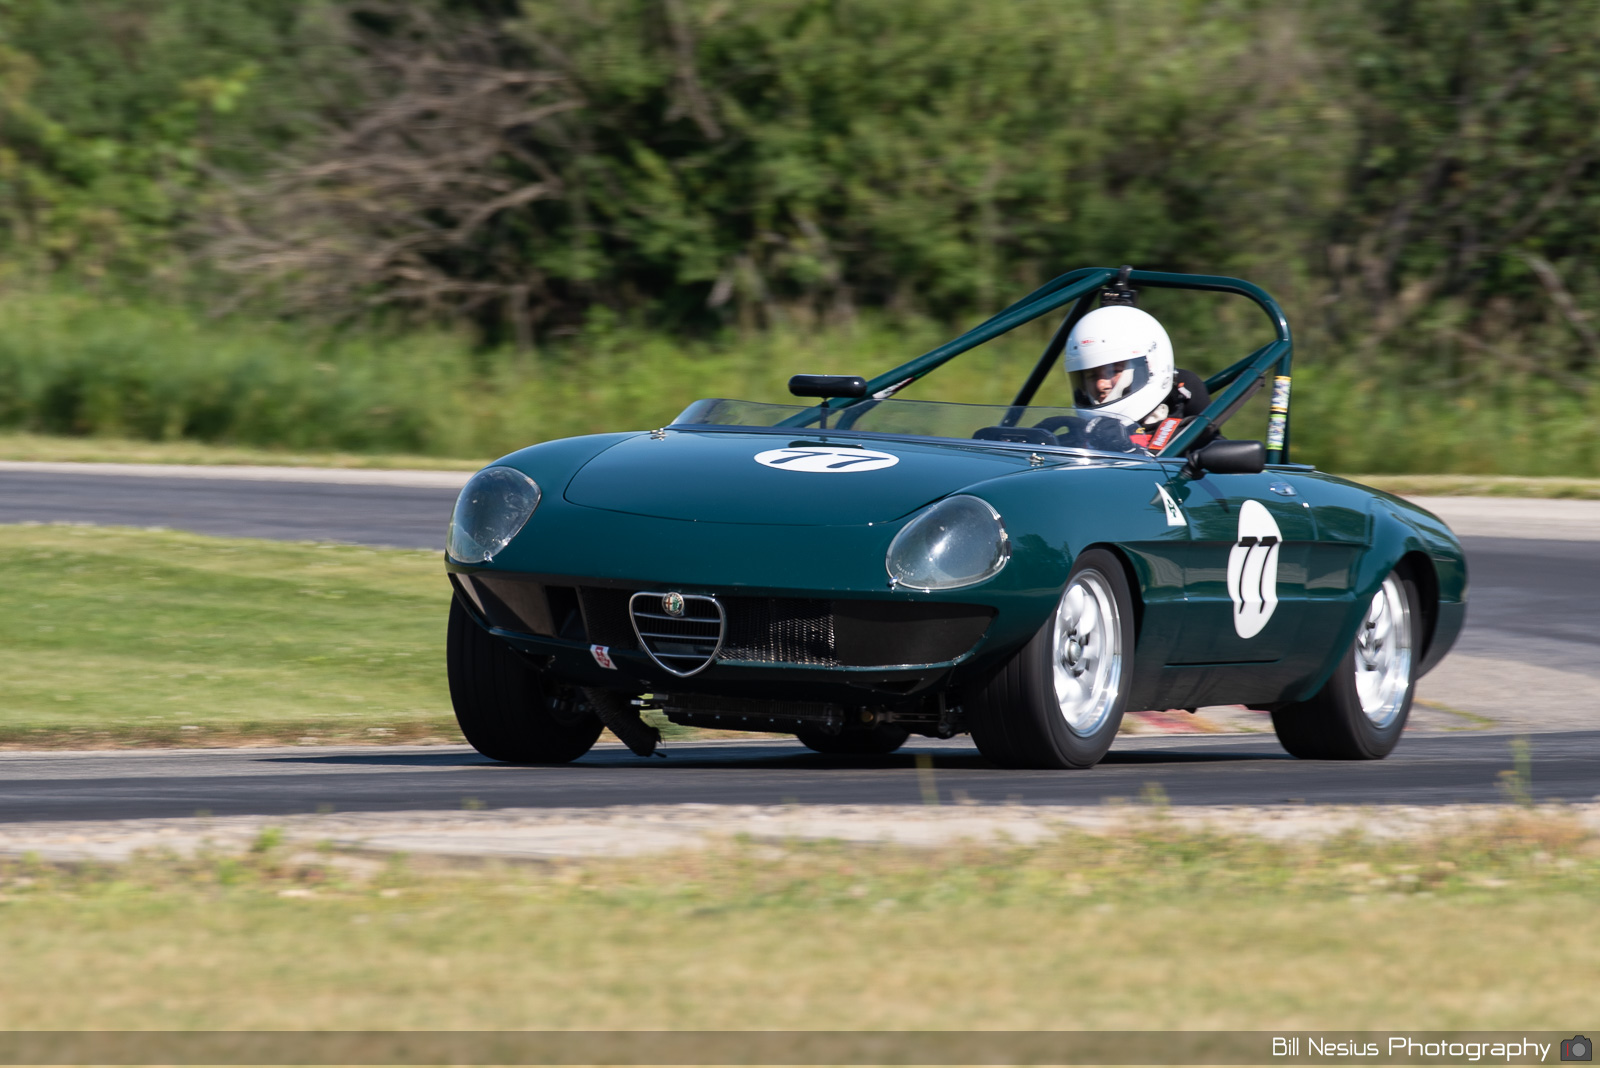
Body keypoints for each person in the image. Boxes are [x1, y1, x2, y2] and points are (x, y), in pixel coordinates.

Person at [1057, 304, 1209, 451]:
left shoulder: (1186, 441)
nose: (1100, 385)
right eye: (1092, 375)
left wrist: (1130, 451)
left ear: (1150, 368)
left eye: (1113, 371)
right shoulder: (1079, 438)